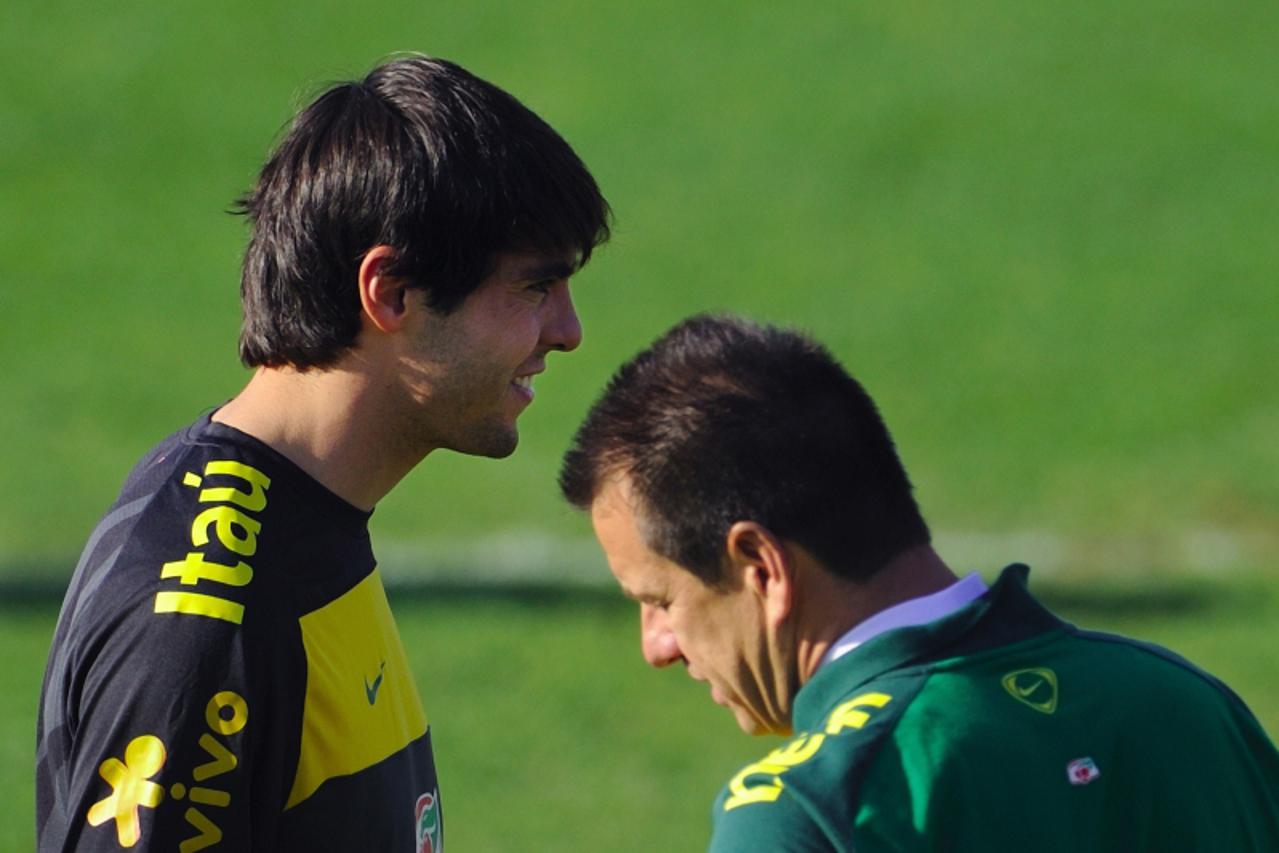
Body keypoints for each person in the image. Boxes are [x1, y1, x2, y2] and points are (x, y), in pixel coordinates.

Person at [37, 54, 610, 851]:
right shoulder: (210, 625)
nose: (568, 330)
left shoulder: (306, 526)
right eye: (534, 288)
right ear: (390, 292)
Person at [559, 314, 1279, 852]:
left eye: (659, 600)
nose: (656, 645)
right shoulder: (1184, 706)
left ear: (761, 567)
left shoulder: (809, 812)